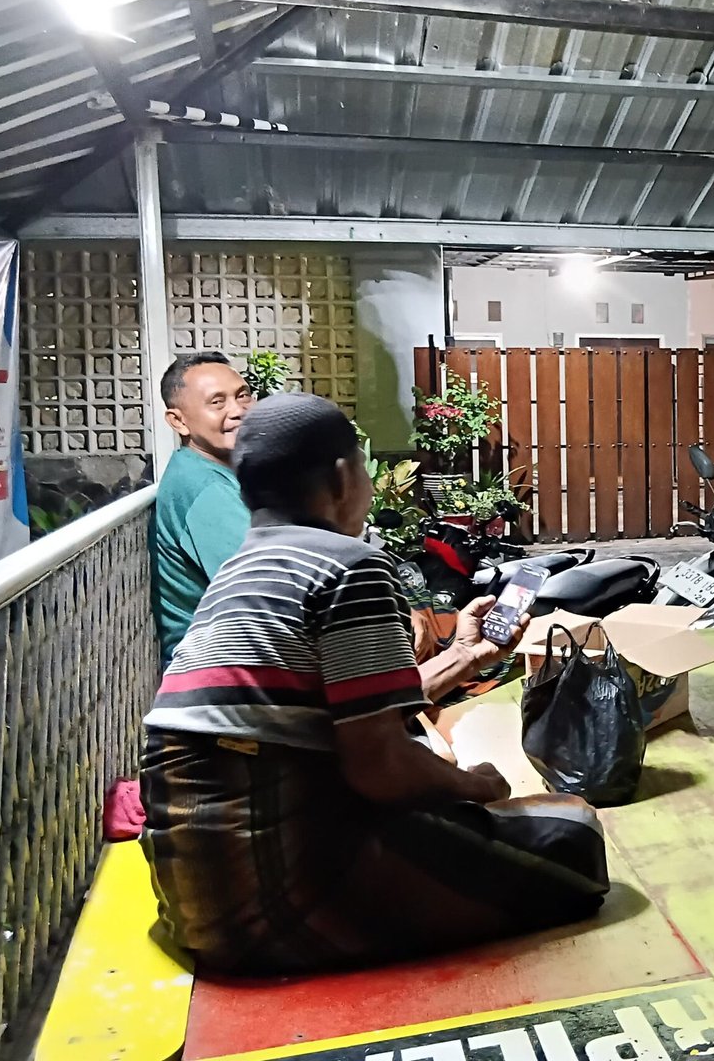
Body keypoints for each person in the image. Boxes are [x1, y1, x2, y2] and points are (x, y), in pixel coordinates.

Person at [141, 393, 608, 975]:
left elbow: (347, 712)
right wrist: (477, 786)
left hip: (198, 906)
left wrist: (464, 656)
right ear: (344, 477)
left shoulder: (239, 571)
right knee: (574, 832)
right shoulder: (348, 564)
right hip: (275, 904)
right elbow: (380, 768)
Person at [149, 352, 254, 665]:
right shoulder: (204, 488)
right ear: (178, 421)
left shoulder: (216, 470)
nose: (238, 411)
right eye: (217, 402)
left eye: (243, 396)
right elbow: (271, 590)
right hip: (220, 672)